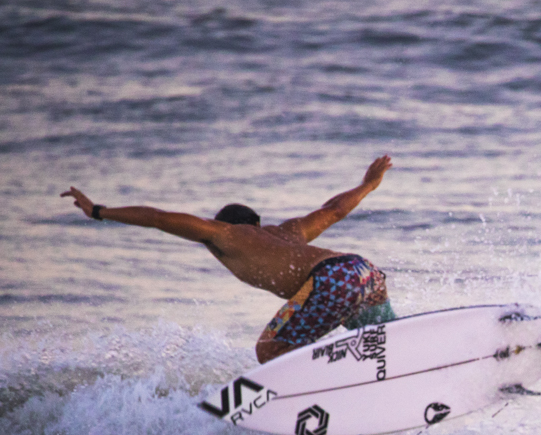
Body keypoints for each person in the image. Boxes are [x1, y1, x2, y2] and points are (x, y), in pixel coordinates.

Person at [61, 154, 397, 363]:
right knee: (385, 342)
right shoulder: (291, 232)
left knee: (268, 350)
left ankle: (329, 381)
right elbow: (334, 210)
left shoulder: (224, 234)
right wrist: (368, 184)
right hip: (362, 270)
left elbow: (158, 218)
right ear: (257, 223)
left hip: (330, 280)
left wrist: (99, 211)